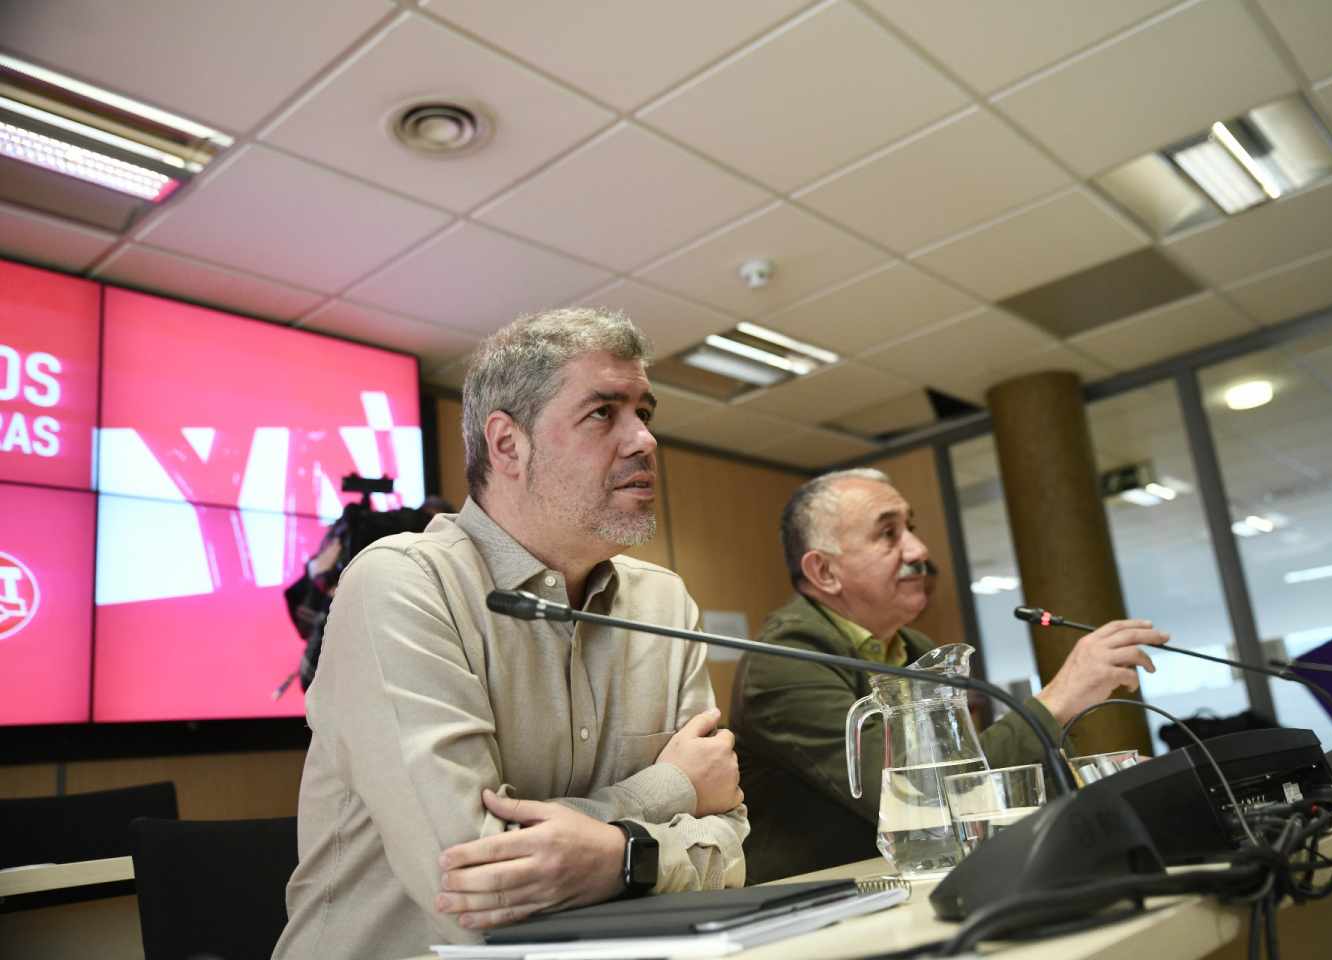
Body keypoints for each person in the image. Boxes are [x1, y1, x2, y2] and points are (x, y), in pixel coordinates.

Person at [274, 309, 747, 960]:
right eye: (604, 413)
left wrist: (606, 853)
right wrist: (668, 796)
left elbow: (733, 851)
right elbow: (477, 896)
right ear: (507, 445)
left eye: (645, 412)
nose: (644, 440)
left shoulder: (663, 601)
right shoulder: (399, 584)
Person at [730, 468, 1168, 883]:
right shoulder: (783, 661)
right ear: (824, 572)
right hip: (821, 910)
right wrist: (1057, 699)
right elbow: (922, 797)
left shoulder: (916, 649)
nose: (919, 550)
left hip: (924, 883)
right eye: (888, 533)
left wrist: (1100, 779)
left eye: (911, 527)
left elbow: (978, 769)